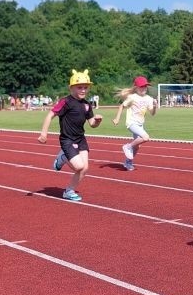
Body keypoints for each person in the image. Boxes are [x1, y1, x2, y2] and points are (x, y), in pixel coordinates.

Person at [37, 69, 103, 202]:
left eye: (85, 87)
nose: (83, 90)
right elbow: (51, 114)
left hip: (81, 139)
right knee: (78, 166)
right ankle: (62, 157)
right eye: (79, 87)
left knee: (85, 168)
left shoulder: (86, 105)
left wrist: (97, 121)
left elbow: (91, 124)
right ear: (71, 88)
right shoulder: (66, 102)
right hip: (67, 139)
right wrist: (44, 133)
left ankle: (69, 191)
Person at [112, 76, 158, 171]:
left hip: (140, 124)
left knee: (137, 147)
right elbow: (122, 106)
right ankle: (127, 146)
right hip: (132, 123)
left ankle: (128, 162)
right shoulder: (132, 97)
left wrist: (154, 107)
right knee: (145, 137)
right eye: (141, 86)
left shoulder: (149, 98)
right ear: (136, 87)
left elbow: (152, 113)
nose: (144, 88)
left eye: (145, 86)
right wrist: (117, 118)